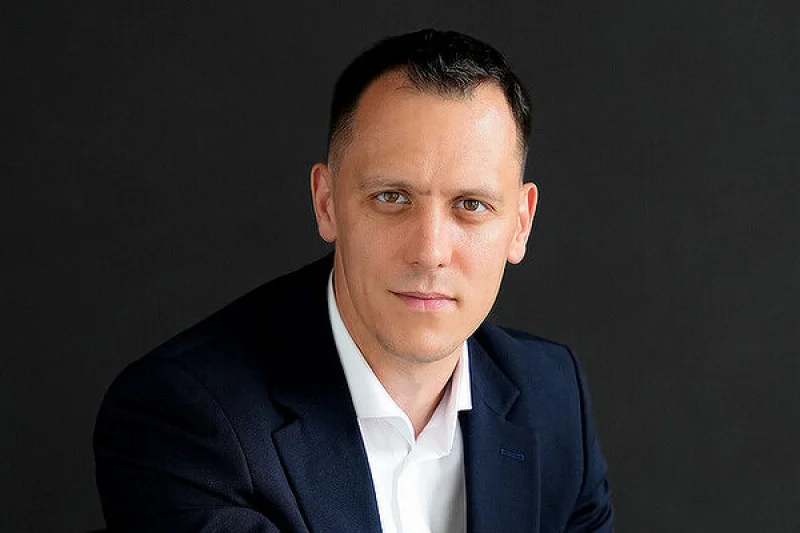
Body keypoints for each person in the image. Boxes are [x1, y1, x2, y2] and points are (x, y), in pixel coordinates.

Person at [94, 28, 613, 532]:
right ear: (327, 203)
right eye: (392, 197)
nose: (430, 252)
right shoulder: (186, 417)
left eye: (471, 205)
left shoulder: (553, 395)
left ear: (520, 224)